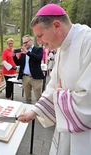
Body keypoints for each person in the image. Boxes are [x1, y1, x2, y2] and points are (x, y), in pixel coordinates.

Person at [18, 4, 91, 155]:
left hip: (85, 136)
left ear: (56, 25)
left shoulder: (87, 41)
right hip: (65, 131)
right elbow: (53, 86)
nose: (39, 42)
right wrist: (35, 111)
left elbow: (87, 99)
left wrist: (59, 96)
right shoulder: (61, 48)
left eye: (40, 35)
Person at [13, 35, 44, 104]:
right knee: (27, 98)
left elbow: (38, 58)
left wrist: (28, 53)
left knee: (38, 98)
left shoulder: (38, 49)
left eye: (26, 42)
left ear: (31, 41)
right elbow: (18, 63)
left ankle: (39, 113)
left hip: (36, 77)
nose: (24, 44)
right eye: (23, 43)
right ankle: (28, 112)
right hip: (25, 77)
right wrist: (14, 56)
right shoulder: (23, 52)